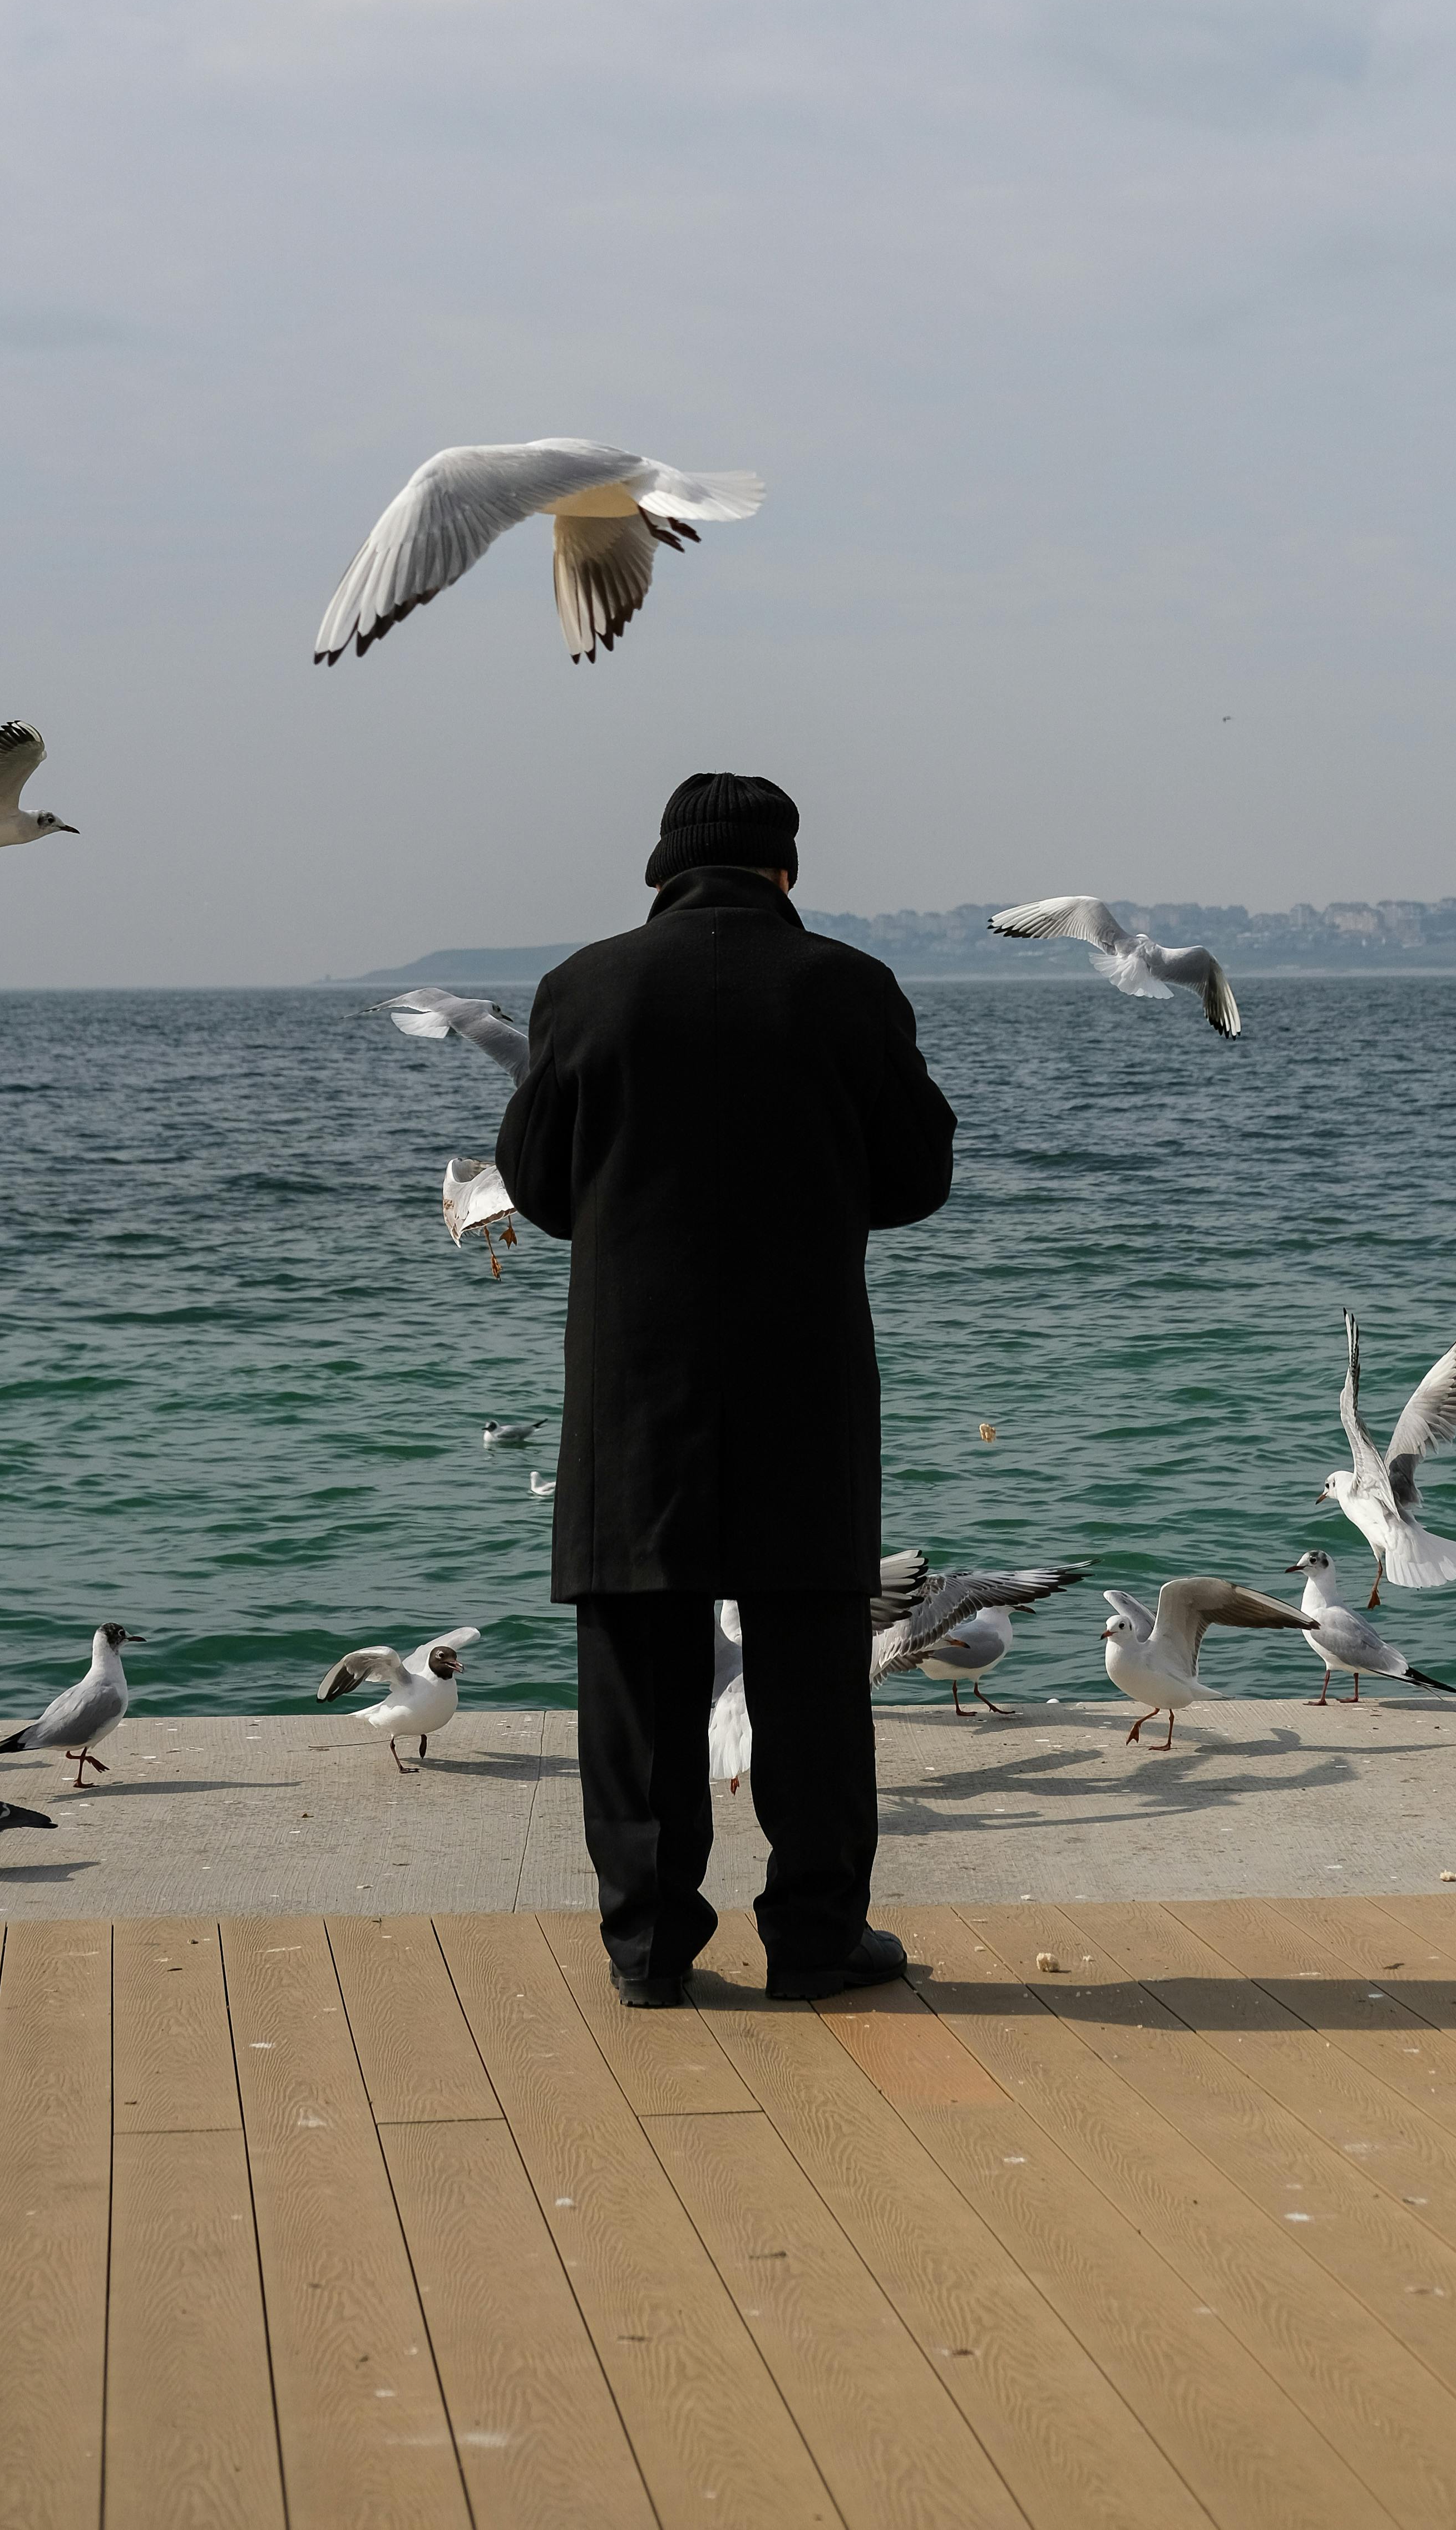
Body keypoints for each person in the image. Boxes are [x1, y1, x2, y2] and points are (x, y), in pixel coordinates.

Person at [496, 771, 956, 2006]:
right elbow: (917, 1179)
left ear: (660, 871)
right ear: (786, 871)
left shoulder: (582, 989)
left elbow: (537, 1186)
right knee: (808, 1670)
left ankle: (649, 1951)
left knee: (641, 1676)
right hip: (800, 1378)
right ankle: (813, 1942)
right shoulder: (848, 988)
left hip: (630, 1385)